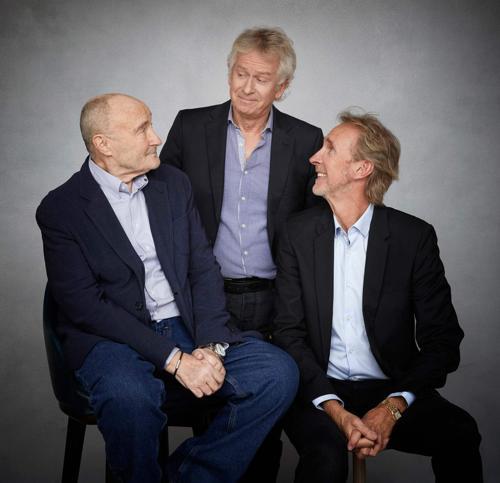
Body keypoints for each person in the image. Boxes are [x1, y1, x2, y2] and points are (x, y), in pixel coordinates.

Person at [36, 93, 299, 483]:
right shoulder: (61, 209)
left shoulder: (173, 185)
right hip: (114, 339)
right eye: (142, 129)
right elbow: (86, 307)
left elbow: (202, 269)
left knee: (277, 374)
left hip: (186, 326)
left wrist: (209, 346)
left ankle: (189, 477)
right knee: (131, 401)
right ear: (103, 144)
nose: (156, 137)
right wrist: (175, 361)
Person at [273, 110, 483, 482]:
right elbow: (288, 332)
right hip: (319, 387)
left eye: (329, 149)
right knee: (326, 457)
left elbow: (443, 341)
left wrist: (393, 407)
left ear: (362, 168)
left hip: (391, 388)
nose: (314, 157)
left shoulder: (413, 238)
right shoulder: (296, 234)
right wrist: (335, 409)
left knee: (460, 434)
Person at [159, 27, 323, 480]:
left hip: (274, 300)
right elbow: (156, 204)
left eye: (262, 79)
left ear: (281, 87)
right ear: (229, 73)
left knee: (265, 411)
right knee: (210, 400)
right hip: (202, 296)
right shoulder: (190, 126)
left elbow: (314, 229)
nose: (247, 87)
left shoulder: (306, 139)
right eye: (240, 73)